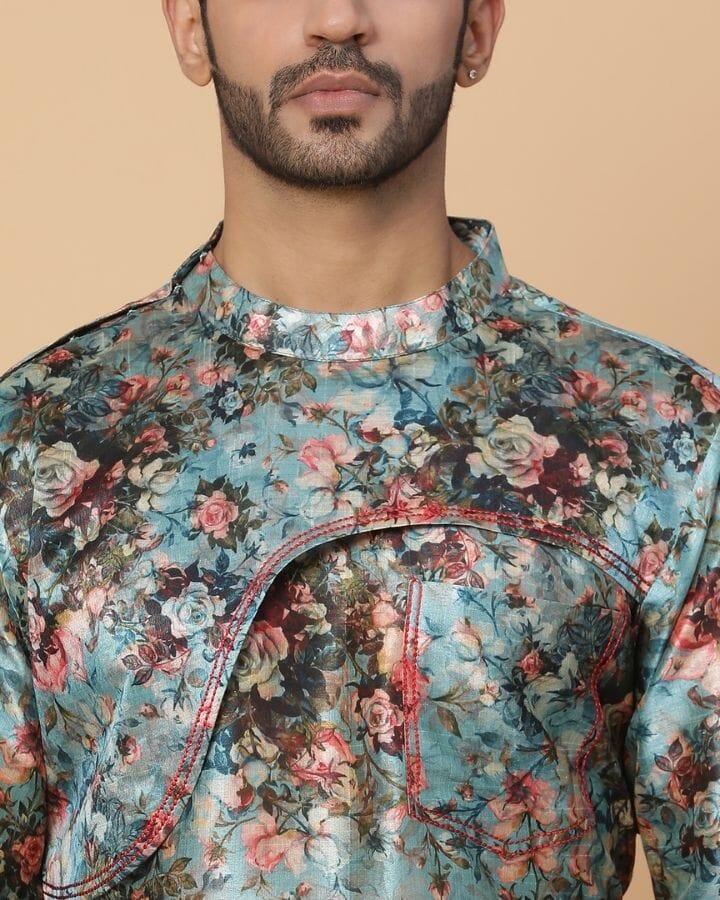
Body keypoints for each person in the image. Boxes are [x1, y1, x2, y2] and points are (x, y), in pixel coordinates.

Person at [1, 1, 718, 896]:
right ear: (191, 26)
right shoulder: (37, 440)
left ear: (478, 26)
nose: (337, 18)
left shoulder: (660, 435)